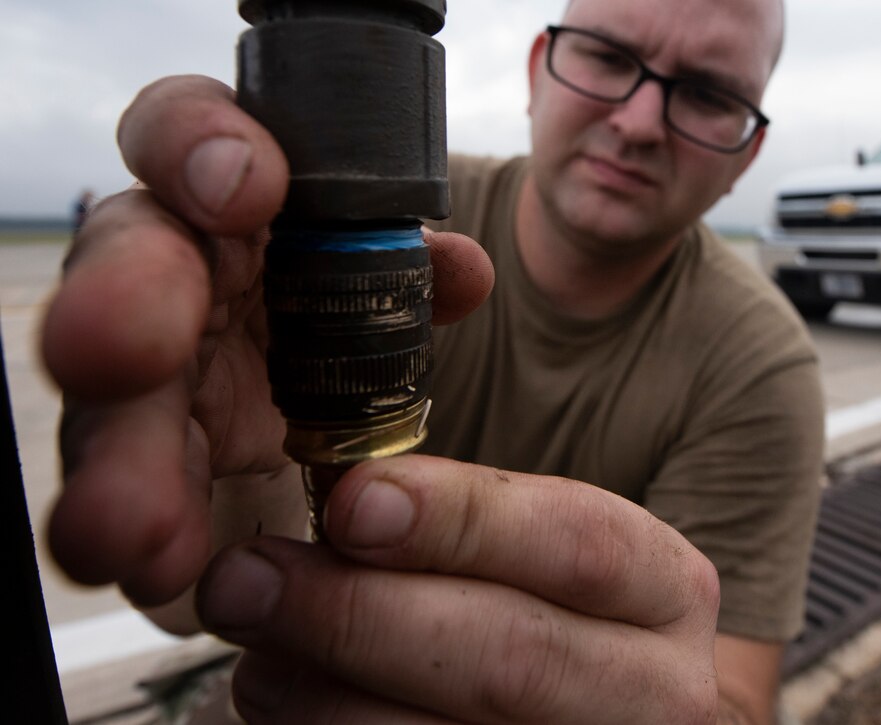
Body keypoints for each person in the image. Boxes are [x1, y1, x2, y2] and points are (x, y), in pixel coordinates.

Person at [43, 0, 824, 722]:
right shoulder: (316, 219)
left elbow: (734, 700)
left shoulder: (762, 368)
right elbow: (182, 598)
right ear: (535, 71)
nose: (642, 119)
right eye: (610, 57)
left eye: (709, 94)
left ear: (746, 156)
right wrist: (251, 477)